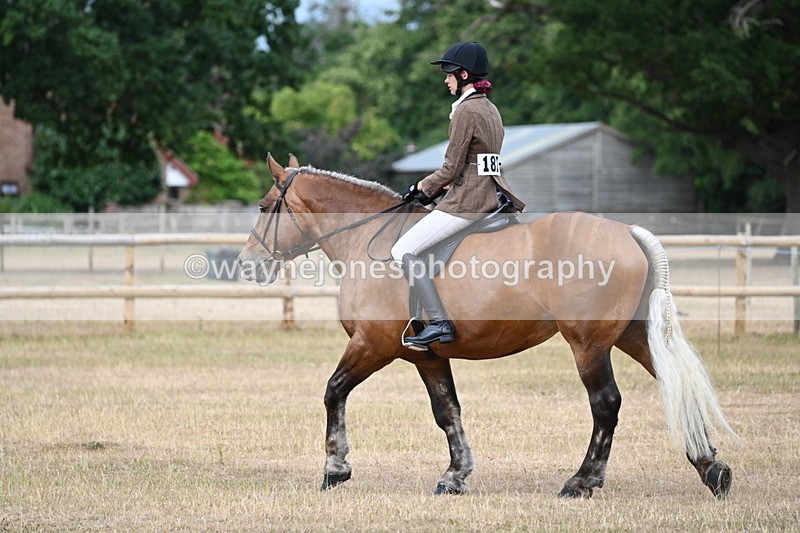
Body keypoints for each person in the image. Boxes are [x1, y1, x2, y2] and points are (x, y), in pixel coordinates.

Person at [391, 41, 525, 347]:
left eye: (449, 74)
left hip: (469, 203)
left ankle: (439, 322)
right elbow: (477, 164)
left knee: (403, 249)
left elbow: (451, 168)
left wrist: (420, 187)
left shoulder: (466, 111)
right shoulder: (490, 108)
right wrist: (439, 188)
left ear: (463, 74)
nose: (445, 79)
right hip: (492, 194)